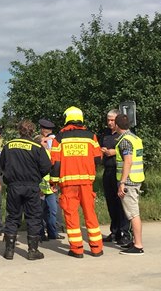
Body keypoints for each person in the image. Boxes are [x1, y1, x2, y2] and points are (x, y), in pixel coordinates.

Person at [50, 106, 104, 258]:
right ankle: (96, 248)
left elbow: (55, 163)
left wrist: (53, 182)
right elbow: (98, 159)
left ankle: (77, 249)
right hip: (87, 182)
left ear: (66, 118)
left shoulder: (59, 138)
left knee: (71, 214)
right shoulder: (91, 136)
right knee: (90, 213)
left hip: (68, 183)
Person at [0, 120, 52, 260]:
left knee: (12, 216)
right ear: (32, 131)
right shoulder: (36, 146)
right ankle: (32, 250)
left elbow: (2, 164)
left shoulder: (9, 145)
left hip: (14, 186)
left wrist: (9, 178)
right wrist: (37, 177)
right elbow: (46, 166)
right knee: (33, 216)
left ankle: (9, 251)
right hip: (31, 186)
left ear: (19, 130)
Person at [115, 113, 145, 255]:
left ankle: (138, 245)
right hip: (137, 178)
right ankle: (134, 242)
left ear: (116, 125)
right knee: (133, 212)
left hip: (129, 181)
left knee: (133, 214)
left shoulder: (125, 141)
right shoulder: (135, 138)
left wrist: (122, 182)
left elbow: (128, 161)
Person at [100, 109, 131, 245]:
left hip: (119, 172)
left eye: (112, 120)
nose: (110, 123)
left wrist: (114, 151)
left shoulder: (123, 136)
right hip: (108, 170)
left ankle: (125, 233)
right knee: (111, 203)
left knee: (121, 204)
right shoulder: (105, 134)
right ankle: (115, 231)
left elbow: (128, 154)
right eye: (108, 120)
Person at [36, 119, 63, 241]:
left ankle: (53, 232)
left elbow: (55, 166)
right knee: (40, 211)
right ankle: (41, 233)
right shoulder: (36, 153)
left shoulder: (51, 151)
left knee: (53, 210)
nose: (47, 143)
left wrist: (55, 183)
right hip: (41, 185)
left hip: (50, 185)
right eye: (45, 141)